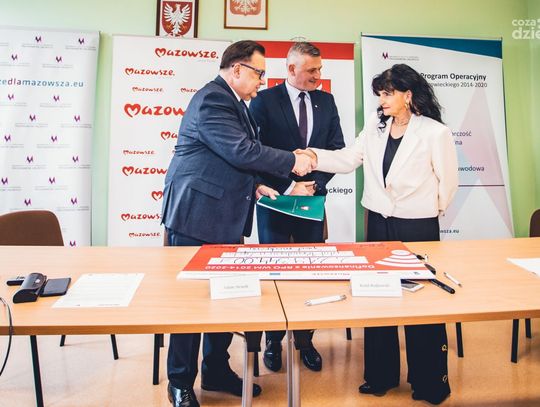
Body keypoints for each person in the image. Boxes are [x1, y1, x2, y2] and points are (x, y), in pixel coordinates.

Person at [161, 40, 314, 407]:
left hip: (223, 217)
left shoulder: (235, 103)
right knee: (190, 307)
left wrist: (256, 184)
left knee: (222, 300)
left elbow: (230, 159)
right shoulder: (213, 100)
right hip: (196, 216)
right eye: (259, 73)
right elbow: (240, 151)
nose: (262, 80)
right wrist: (292, 161)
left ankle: (215, 370)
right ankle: (179, 382)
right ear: (237, 70)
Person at [303, 63, 458, 405]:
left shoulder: (435, 133)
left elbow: (448, 184)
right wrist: (314, 156)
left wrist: (424, 210)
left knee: (422, 304)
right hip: (377, 221)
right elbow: (347, 159)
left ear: (408, 95)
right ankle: (380, 376)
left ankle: (429, 382)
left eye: (388, 93)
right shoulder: (375, 126)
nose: (382, 100)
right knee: (378, 296)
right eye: (380, 94)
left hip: (417, 225)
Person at [249, 41, 345, 373]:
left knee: (309, 273)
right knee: (275, 274)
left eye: (320, 69)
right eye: (311, 70)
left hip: (311, 201)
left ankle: (305, 340)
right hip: (274, 199)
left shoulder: (326, 101)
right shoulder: (264, 100)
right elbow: (254, 151)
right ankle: (273, 340)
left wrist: (314, 185)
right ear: (291, 69)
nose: (318, 75)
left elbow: (336, 150)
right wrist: (288, 186)